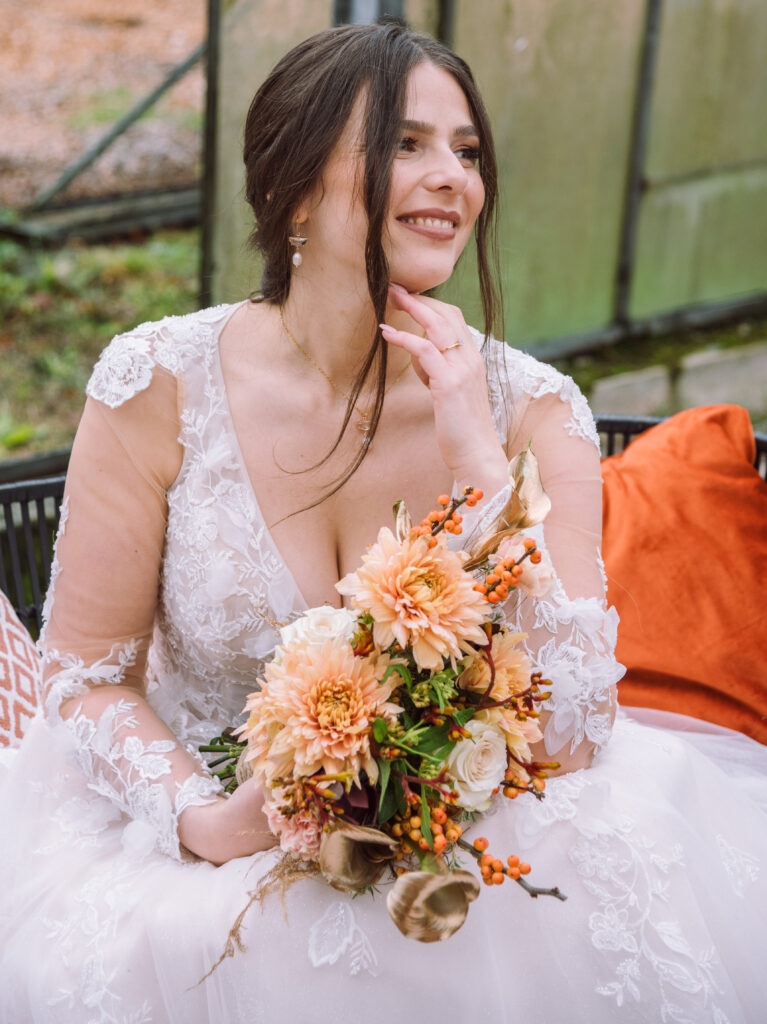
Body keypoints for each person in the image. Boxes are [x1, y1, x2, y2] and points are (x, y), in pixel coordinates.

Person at [1, 19, 766, 1023]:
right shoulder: (155, 384)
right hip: (204, 843)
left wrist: (475, 456)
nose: (449, 174)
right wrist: (200, 814)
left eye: (466, 149)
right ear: (292, 187)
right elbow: (84, 673)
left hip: (472, 848)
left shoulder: (533, 410)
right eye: (404, 143)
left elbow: (577, 726)